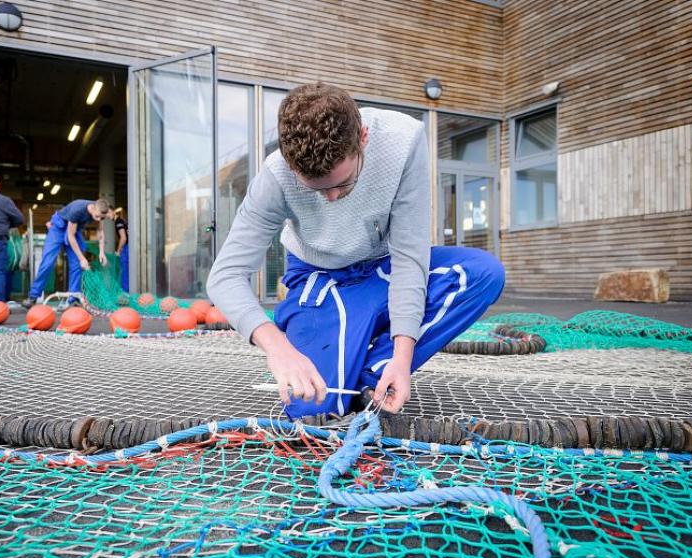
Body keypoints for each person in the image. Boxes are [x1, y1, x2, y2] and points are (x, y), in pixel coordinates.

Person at [207, 83, 505, 418]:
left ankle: (374, 372)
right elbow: (225, 277)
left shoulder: (403, 140)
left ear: (363, 138)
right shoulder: (275, 175)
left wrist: (403, 359)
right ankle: (348, 357)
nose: (332, 199)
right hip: (320, 281)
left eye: (342, 182)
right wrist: (277, 348)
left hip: (386, 269)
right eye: (316, 189)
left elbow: (410, 256)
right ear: (292, 166)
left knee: (482, 274)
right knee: (313, 408)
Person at [23, 198, 113, 308]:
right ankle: (33, 296)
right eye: (97, 216)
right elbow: (70, 236)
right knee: (48, 262)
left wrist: (102, 252)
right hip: (59, 228)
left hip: (75, 230)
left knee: (76, 265)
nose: (99, 219)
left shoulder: (101, 210)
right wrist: (82, 258)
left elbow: (100, 231)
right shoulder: (78, 209)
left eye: (101, 218)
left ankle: (73, 299)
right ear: (93, 207)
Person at [114, 212, 129, 291]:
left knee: (124, 271)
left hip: (126, 248)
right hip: (129, 247)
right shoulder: (123, 220)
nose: (107, 216)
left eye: (107, 213)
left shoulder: (118, 221)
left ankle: (125, 293)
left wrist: (118, 251)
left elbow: (123, 238)